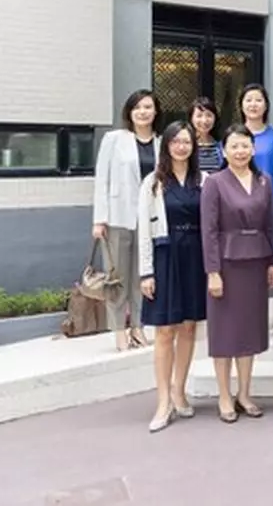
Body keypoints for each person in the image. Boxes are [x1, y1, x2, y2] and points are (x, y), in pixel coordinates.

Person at [201, 124, 273, 423]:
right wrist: (212, 271)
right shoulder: (214, 183)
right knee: (224, 333)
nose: (240, 151)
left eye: (245, 145)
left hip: (256, 263)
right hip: (226, 264)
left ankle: (244, 393)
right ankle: (224, 395)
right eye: (234, 146)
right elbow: (208, 231)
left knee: (249, 331)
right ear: (224, 150)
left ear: (253, 148)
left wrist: (272, 262)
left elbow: (271, 224)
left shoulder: (264, 180)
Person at [137, 120, 207, 433]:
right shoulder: (153, 182)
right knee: (165, 331)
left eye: (187, 141)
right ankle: (163, 400)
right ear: (166, 145)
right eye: (175, 141)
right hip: (165, 257)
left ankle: (180, 391)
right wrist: (146, 271)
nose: (181, 146)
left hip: (195, 257)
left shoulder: (203, 179)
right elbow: (144, 231)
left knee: (189, 327)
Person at [93, 88, 160, 352]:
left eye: (148, 107)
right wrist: (100, 219)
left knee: (142, 276)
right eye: (138, 108)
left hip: (149, 219)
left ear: (156, 111)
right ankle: (119, 330)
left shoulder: (161, 142)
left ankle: (139, 327)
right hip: (117, 218)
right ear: (129, 113)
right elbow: (102, 179)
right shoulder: (114, 139)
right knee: (117, 277)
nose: (143, 112)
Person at [238, 83, 273, 191]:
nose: (253, 104)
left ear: (266, 105)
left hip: (271, 199)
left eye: (258, 100)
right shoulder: (233, 138)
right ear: (241, 106)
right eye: (248, 100)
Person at [190, 97, 225, 172]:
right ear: (191, 118)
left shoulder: (221, 146)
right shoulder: (187, 145)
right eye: (199, 115)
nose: (204, 120)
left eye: (209, 115)